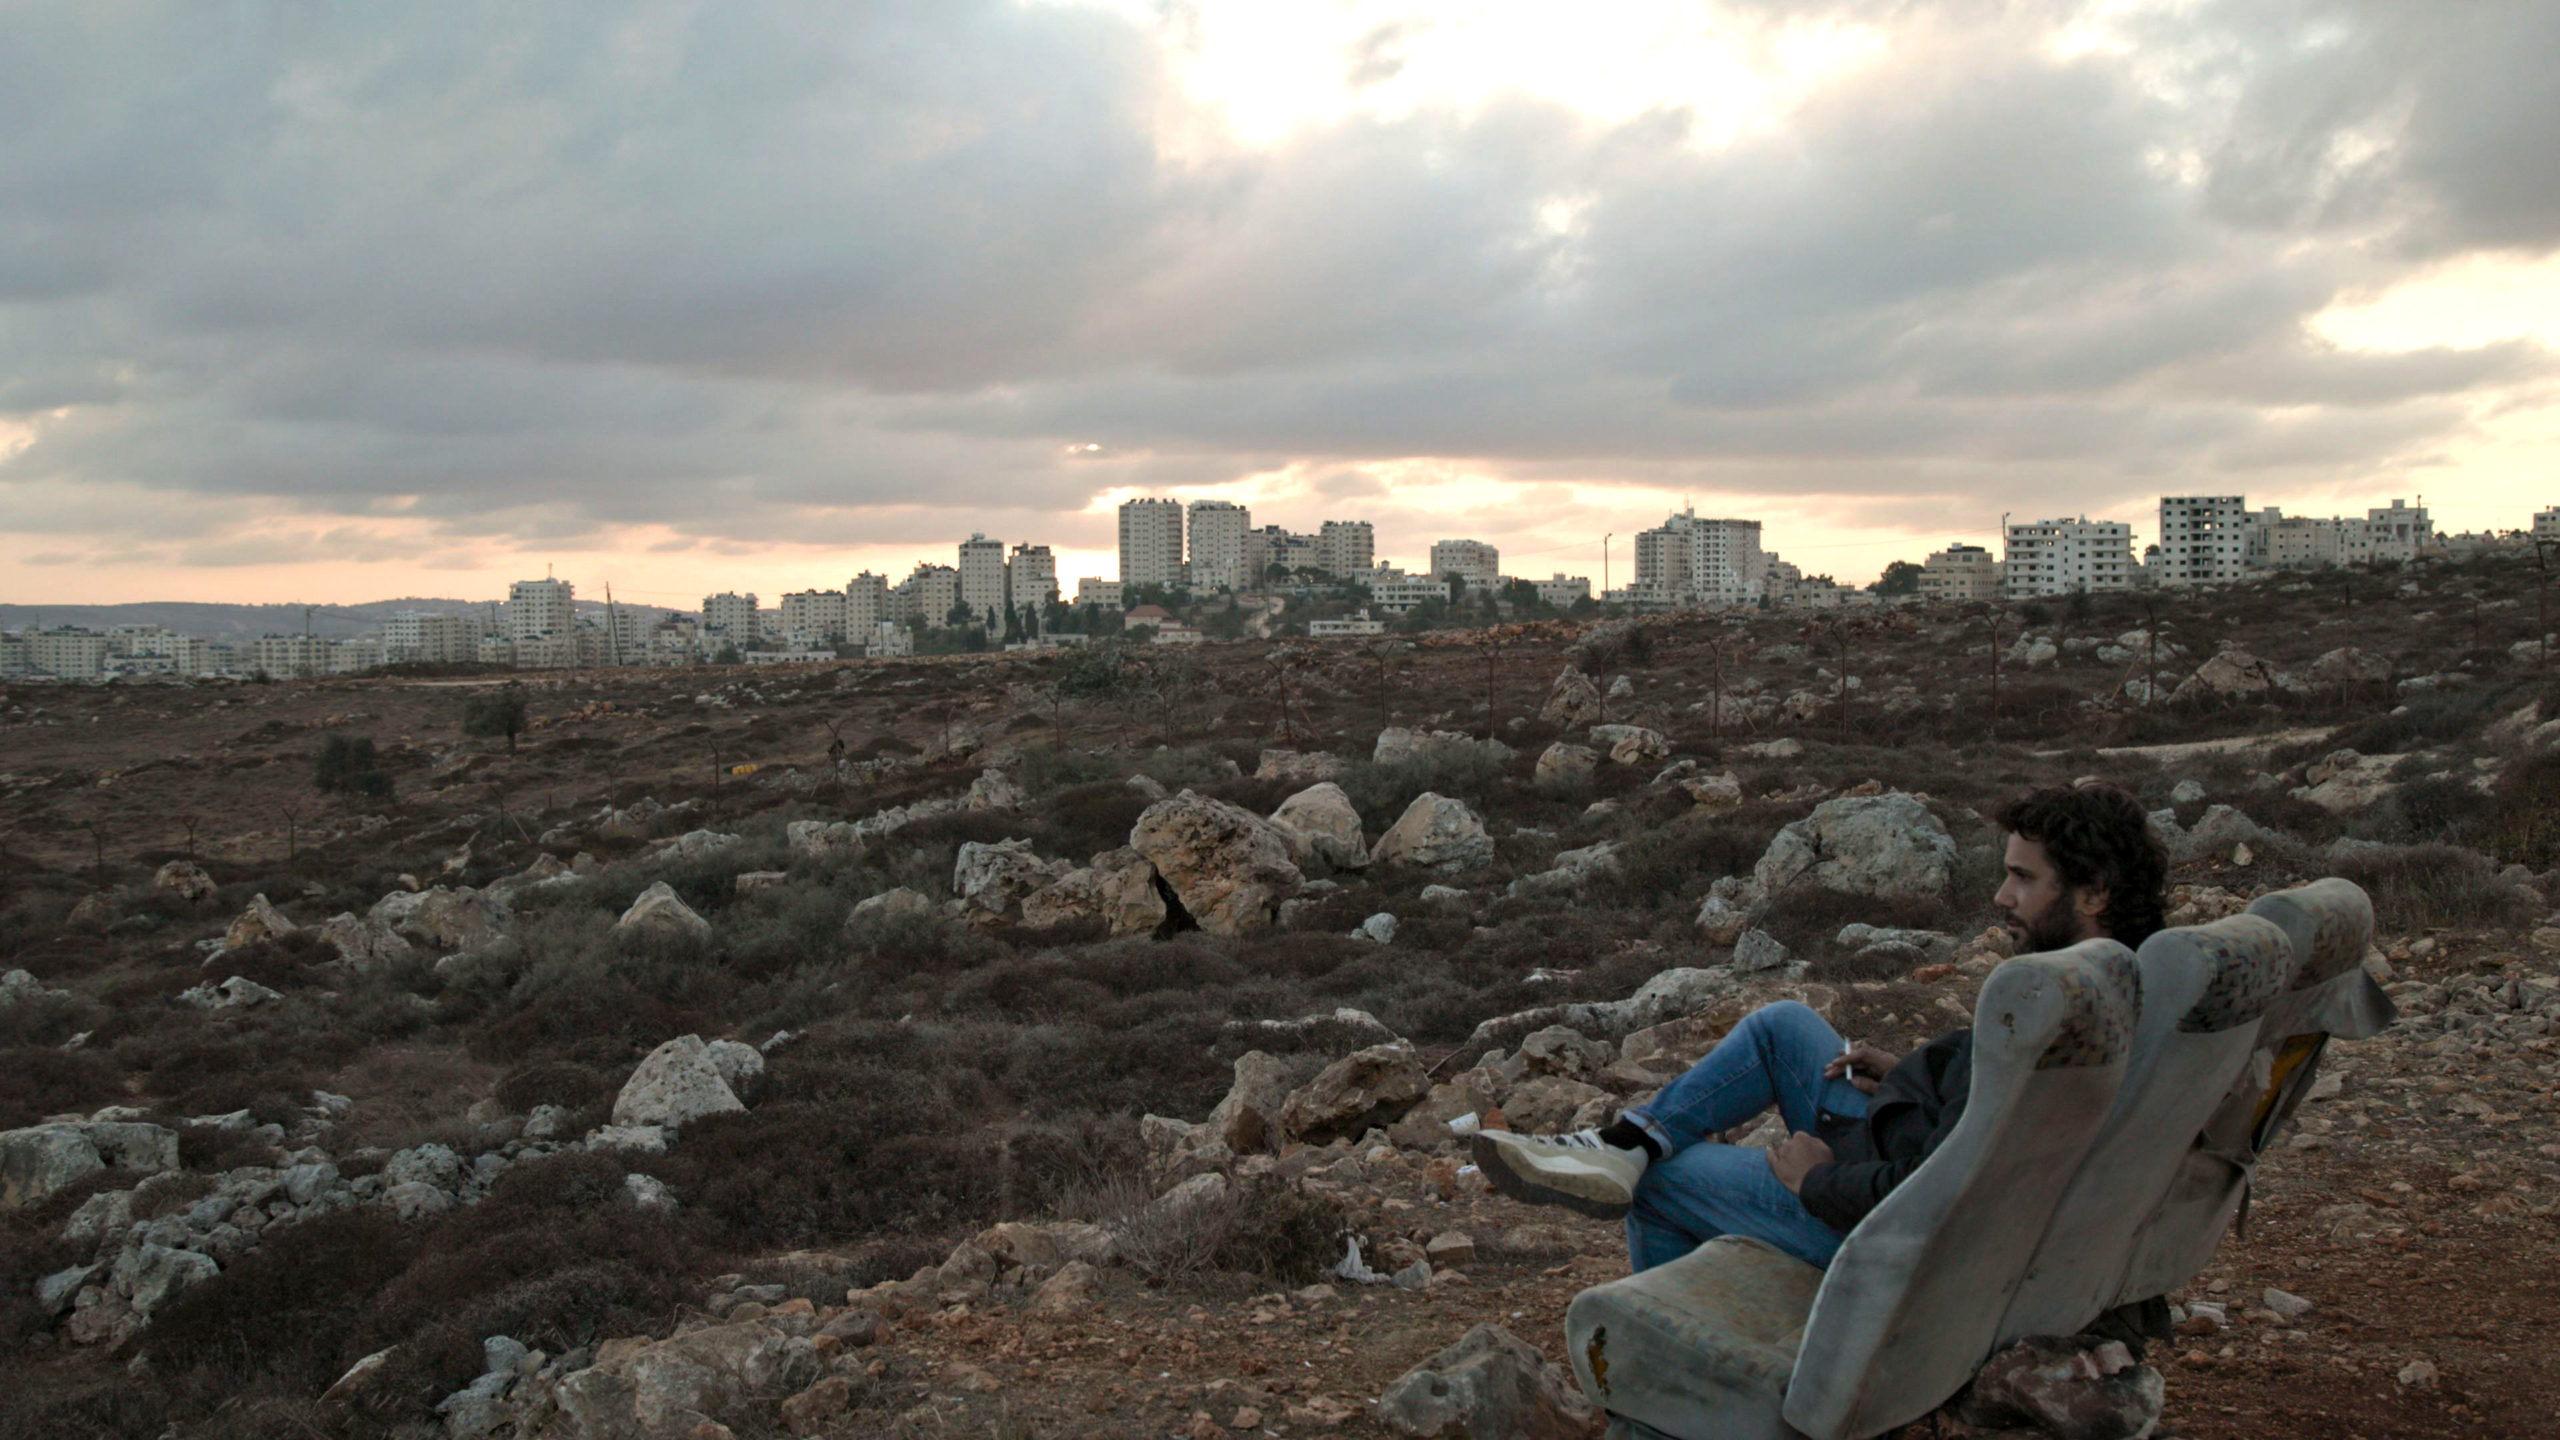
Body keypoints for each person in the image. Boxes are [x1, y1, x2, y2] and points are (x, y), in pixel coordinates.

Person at [1474, 782, 2169, 1272]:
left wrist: (1815, 1184)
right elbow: (1979, 1120)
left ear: (2095, 891)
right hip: (1908, 1144)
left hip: (1887, 1223)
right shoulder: (2120, 989)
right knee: (1784, 1025)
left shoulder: (2052, 1009)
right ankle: (1623, 1142)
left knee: (1664, 1179)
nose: (2001, 896)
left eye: (2023, 878)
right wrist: (1908, 1075)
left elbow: (1936, 1193)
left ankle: (1673, 1380)